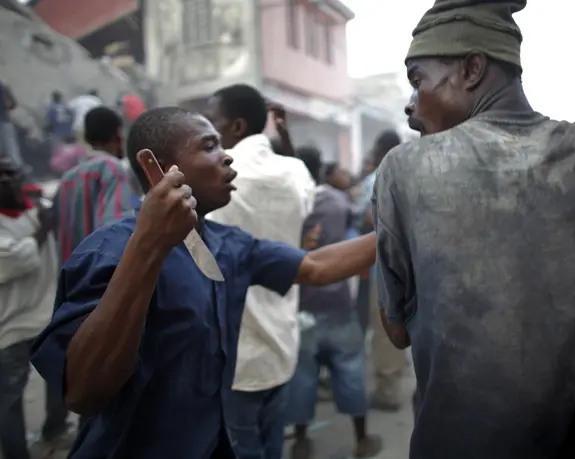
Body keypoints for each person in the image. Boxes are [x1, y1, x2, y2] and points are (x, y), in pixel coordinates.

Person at [373, 0, 575, 457]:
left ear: (471, 69)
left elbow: (396, 329)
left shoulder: (406, 170)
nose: (410, 106)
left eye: (417, 81)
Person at [31, 106, 377, 459]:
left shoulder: (229, 244)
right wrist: (147, 248)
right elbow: (83, 392)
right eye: (209, 146)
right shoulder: (110, 251)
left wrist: (397, 230)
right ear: (162, 168)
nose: (227, 156)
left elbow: (315, 267)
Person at [205, 84, 315, 459]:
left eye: (213, 125)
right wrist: (283, 136)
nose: (210, 136)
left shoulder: (216, 178)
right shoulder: (294, 172)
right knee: (272, 444)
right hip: (281, 343)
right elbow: (302, 181)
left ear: (236, 126)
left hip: (237, 354)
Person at [287, 147, 382, 459]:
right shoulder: (338, 202)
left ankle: (301, 441)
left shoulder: (290, 201)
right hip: (339, 301)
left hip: (302, 305)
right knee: (351, 369)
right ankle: (361, 439)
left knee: (302, 376)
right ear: (324, 171)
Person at [0, 159, 57, 459]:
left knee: (62, 382)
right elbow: (18, 259)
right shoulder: (36, 219)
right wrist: (42, 229)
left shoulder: (36, 210)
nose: (7, 181)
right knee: (10, 399)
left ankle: (54, 432)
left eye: (13, 173)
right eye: (1, 176)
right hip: (10, 325)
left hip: (47, 315)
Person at [355, 130, 405, 412]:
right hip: (410, 259)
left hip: (382, 260)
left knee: (385, 325)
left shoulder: (376, 178)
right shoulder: (408, 171)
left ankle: (388, 392)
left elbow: (366, 216)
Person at [52, 106, 133, 264]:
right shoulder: (112, 167)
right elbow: (115, 227)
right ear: (118, 134)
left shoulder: (68, 177)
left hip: (71, 278)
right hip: (99, 276)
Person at [0, 79, 22, 165]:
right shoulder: (3, 85)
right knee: (11, 150)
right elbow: (11, 104)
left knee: (10, 150)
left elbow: (10, 104)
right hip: (5, 121)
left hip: (3, 121)